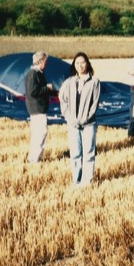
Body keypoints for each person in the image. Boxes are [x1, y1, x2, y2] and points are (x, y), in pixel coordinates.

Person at [59, 52, 101, 187]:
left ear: (87, 64)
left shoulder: (94, 82)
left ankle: (87, 181)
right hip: (72, 124)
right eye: (77, 63)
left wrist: (85, 118)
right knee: (75, 153)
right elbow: (63, 100)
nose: (80, 65)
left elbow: (95, 104)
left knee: (88, 152)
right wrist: (68, 117)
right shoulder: (69, 82)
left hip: (89, 124)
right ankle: (76, 180)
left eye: (82, 62)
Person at [25, 51, 56, 163]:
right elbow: (33, 92)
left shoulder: (38, 73)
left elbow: (41, 91)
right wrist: (47, 88)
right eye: (45, 61)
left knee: (38, 134)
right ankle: (34, 159)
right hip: (37, 109)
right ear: (40, 61)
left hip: (38, 108)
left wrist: (56, 93)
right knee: (41, 133)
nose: (46, 64)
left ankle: (35, 158)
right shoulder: (33, 74)